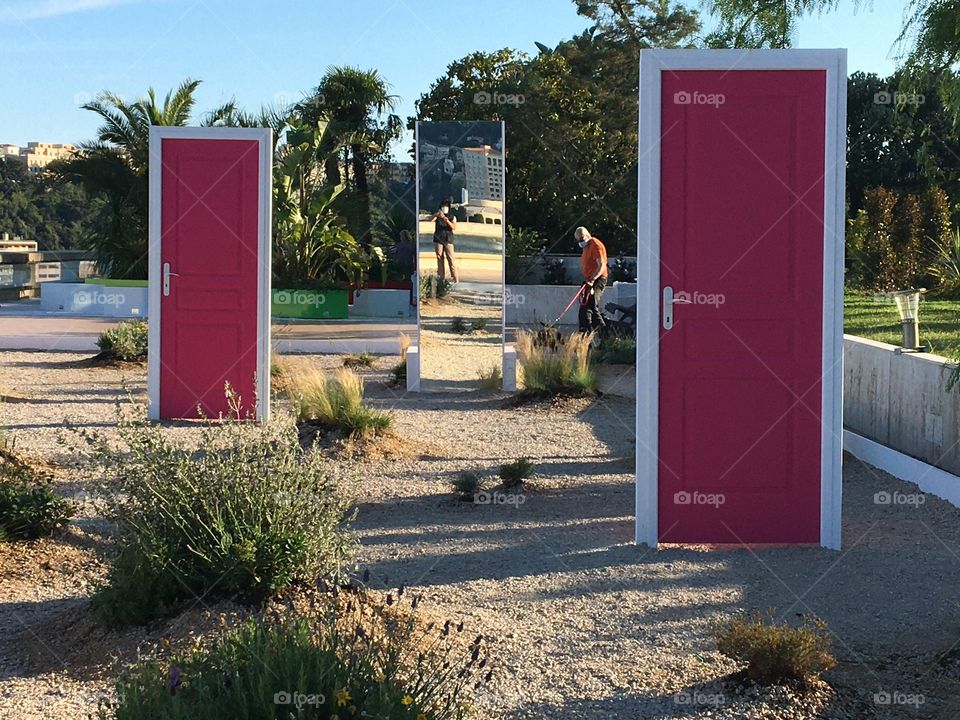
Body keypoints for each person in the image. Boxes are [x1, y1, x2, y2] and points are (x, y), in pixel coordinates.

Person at [576, 226, 608, 334]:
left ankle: (605, 336)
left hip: (598, 279)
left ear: (587, 235)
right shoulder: (586, 248)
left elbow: (601, 265)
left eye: (581, 239)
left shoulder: (595, 244)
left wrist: (593, 279)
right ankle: (585, 338)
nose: (580, 242)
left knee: (592, 306)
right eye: (578, 240)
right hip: (589, 280)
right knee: (584, 311)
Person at [431, 198, 459, 283]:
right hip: (438, 238)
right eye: (443, 206)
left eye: (446, 206)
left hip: (448, 239)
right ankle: (441, 278)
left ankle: (455, 279)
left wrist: (447, 221)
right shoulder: (438, 216)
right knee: (439, 258)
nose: (445, 207)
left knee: (451, 259)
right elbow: (430, 219)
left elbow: (454, 227)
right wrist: (436, 215)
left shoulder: (452, 217)